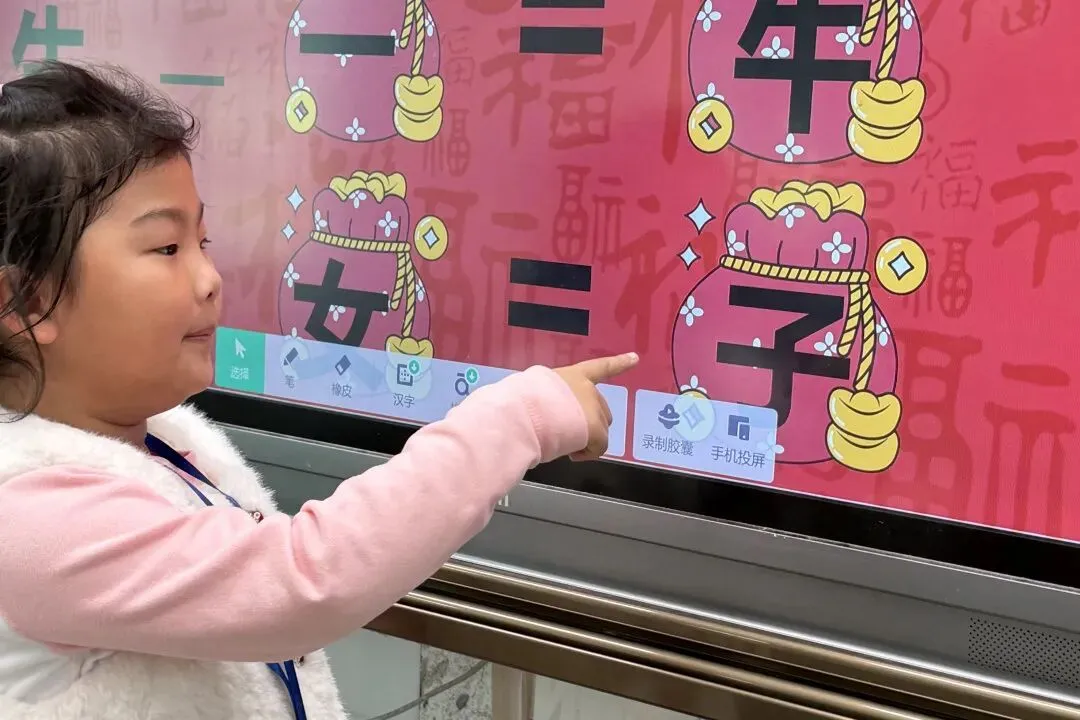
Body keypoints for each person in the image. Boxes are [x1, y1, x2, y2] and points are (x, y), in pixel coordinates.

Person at [0, 61, 638, 719]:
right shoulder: (34, 519)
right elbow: (302, 578)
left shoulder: (156, 445)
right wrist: (520, 419)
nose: (210, 278)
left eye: (203, 241)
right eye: (166, 248)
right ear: (29, 302)